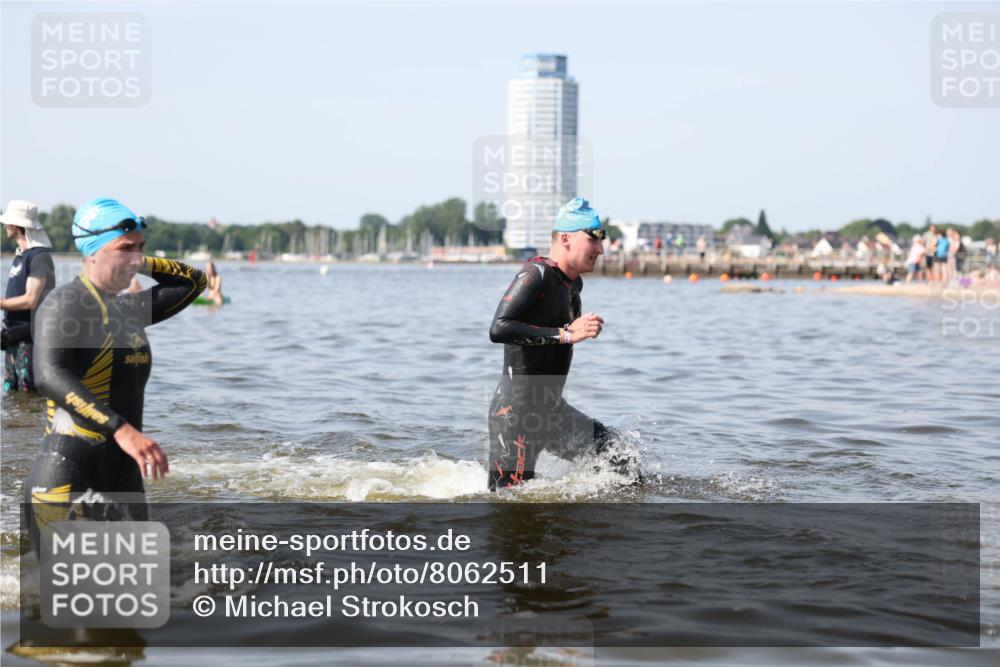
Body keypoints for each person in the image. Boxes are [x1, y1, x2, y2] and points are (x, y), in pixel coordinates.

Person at [25, 198, 206, 547]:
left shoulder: (128, 310)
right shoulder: (66, 303)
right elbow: (48, 375)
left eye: (141, 249)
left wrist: (132, 257)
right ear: (92, 251)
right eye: (124, 248)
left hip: (123, 475)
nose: (135, 258)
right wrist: (120, 429)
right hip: (68, 474)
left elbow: (193, 283)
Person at [486, 197, 638, 491]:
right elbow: (499, 328)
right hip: (517, 415)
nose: (601, 249)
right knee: (511, 507)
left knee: (620, 458)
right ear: (566, 239)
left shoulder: (573, 283)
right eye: (593, 239)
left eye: (602, 240)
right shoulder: (535, 274)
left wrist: (574, 330)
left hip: (552, 412)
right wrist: (566, 334)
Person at [1, 200, 56, 392]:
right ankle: (18, 423)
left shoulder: (39, 256)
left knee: (29, 391)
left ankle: (33, 422)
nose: (4, 226)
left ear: (15, 226)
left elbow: (31, 298)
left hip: (31, 337)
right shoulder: (20, 256)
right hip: (14, 336)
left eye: (7, 222)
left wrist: (1, 303)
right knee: (11, 391)